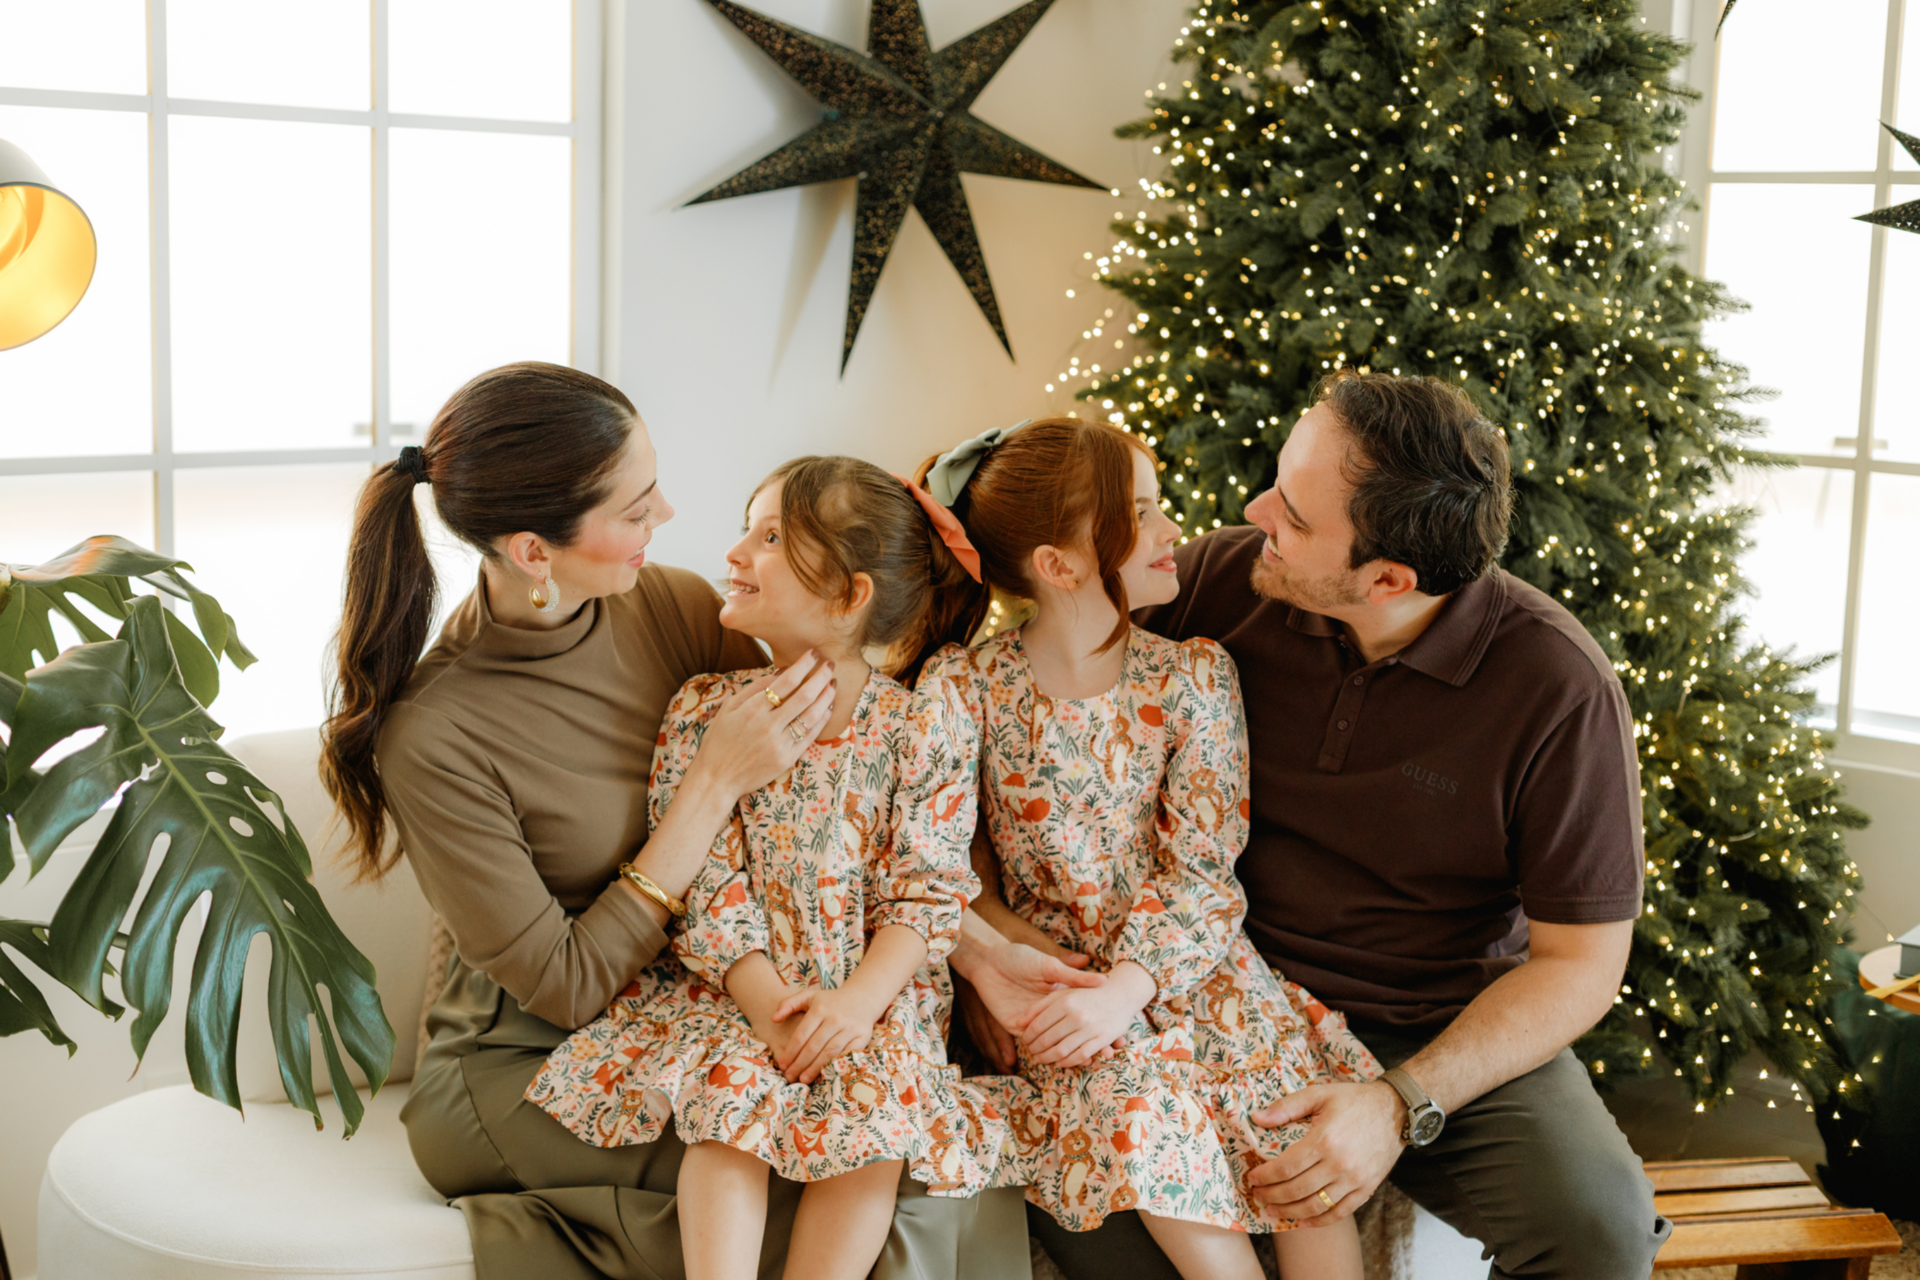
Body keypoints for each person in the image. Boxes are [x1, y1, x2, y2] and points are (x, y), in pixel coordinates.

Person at [321, 363, 1033, 1280]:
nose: (665, 514)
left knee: (904, 1144)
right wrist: (709, 786)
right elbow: (567, 985)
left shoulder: (676, 605)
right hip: (527, 1055)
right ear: (536, 550)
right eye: (633, 507)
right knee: (814, 1163)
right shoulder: (436, 733)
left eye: (653, 483)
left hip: (711, 1002)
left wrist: (972, 962)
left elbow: (837, 801)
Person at [960, 373, 1669, 1280]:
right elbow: (1001, 741)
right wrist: (994, 956)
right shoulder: (1219, 583)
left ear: (1386, 579)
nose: (1254, 511)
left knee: (1599, 1235)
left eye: (1292, 514)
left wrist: (1396, 1102)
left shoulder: (1558, 688)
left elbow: (1583, 968)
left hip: (1432, 1026)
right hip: (1196, 992)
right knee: (1116, 1228)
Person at [523, 456, 1024, 1280]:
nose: (735, 552)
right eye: (746, 530)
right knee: (731, 1105)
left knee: (875, 1120)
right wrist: (766, 1005)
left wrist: (857, 1006)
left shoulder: (923, 726)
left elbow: (928, 891)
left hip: (876, 997)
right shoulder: (704, 710)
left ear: (849, 595)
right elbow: (708, 885)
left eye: (770, 537)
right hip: (737, 989)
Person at [913, 419, 1381, 1280]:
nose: (1174, 532)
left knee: (1294, 1151)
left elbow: (1203, 869)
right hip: (1068, 996)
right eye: (1144, 513)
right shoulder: (964, 688)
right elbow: (923, 865)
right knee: (1152, 1125)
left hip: (1196, 974)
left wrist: (1137, 986)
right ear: (1059, 566)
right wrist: (1000, 965)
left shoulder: (1194, 676)